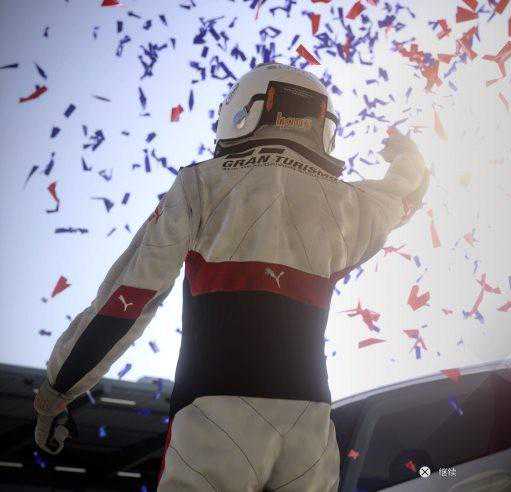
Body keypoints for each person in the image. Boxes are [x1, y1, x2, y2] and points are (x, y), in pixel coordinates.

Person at [33, 62, 429, 491]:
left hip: (212, 417)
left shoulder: (200, 184)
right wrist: (407, 157)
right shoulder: (351, 203)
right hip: (309, 427)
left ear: (245, 110)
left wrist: (57, 392)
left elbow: (127, 301)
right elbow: (405, 193)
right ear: (323, 123)